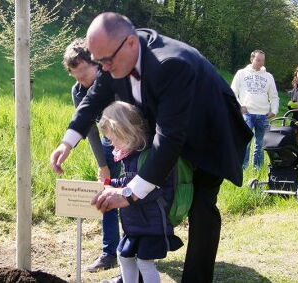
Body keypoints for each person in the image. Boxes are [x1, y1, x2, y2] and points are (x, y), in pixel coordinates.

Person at [50, 12, 252, 283]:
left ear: (131, 44)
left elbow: (169, 140)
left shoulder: (171, 64)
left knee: (201, 206)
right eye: (100, 63)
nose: (104, 69)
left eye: (107, 61)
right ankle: (135, 272)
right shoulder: (115, 57)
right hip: (168, 128)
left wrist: (131, 193)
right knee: (146, 196)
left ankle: (197, 278)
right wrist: (68, 141)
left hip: (209, 135)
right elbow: (93, 98)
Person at [98, 101, 183, 283]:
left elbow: (149, 190)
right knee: (124, 255)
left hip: (151, 222)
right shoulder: (130, 155)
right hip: (136, 221)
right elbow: (128, 181)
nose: (111, 144)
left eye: (113, 138)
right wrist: (109, 183)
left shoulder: (149, 158)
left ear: (126, 132)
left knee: (145, 262)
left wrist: (118, 190)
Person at [62, 38, 121, 272]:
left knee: (133, 193)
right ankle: (109, 253)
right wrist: (102, 164)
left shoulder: (115, 80)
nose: (81, 81)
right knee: (106, 193)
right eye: (76, 76)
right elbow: (89, 129)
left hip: (135, 141)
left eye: (84, 74)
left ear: (96, 64)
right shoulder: (78, 91)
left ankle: (141, 246)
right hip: (107, 142)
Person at [231, 50, 279, 169]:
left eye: (263, 60)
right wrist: (239, 106)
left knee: (261, 144)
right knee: (245, 142)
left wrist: (274, 110)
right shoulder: (241, 73)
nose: (261, 63)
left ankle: (257, 168)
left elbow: (274, 95)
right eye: (258, 60)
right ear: (251, 59)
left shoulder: (268, 76)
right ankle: (243, 167)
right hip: (247, 114)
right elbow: (232, 92)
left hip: (263, 115)